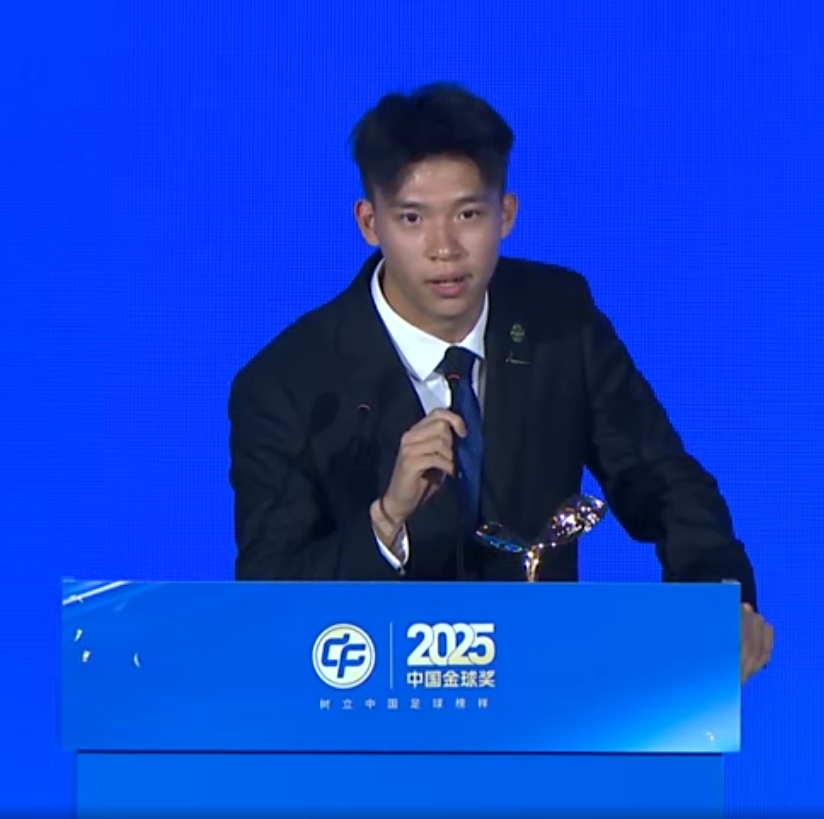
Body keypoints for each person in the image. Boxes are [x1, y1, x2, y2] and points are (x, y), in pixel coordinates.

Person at [228, 82, 773, 683]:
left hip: (543, 692)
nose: (444, 248)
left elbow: (661, 479)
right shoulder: (288, 383)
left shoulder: (558, 318)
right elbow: (266, 599)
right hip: (373, 706)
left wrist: (719, 601)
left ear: (506, 215)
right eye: (412, 218)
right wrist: (386, 520)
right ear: (369, 223)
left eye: (468, 214)